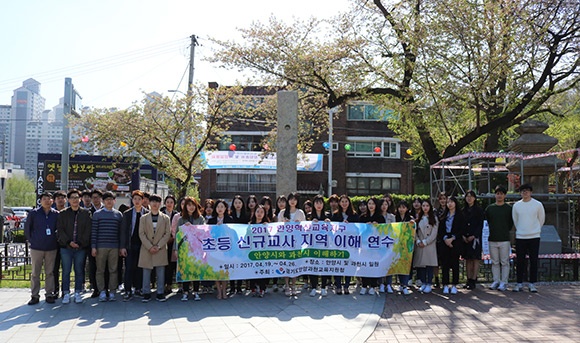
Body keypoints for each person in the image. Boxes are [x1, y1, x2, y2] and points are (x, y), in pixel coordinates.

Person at [57, 189, 92, 304]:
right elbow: (60, 230)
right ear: (68, 200)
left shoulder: (86, 213)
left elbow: (88, 231)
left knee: (79, 270)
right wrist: (68, 242)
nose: (75, 200)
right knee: (66, 270)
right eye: (72, 198)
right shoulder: (63, 213)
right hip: (66, 247)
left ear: (80, 199)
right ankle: (66, 292)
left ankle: (78, 292)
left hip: (80, 248)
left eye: (77, 197)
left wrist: (80, 243)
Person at [24, 192, 59, 305]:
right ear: (40, 201)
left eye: (49, 199)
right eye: (44, 199)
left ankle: (49, 294)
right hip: (36, 248)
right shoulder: (34, 213)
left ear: (52, 201)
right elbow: (27, 229)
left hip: (51, 247)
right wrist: (32, 241)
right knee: (35, 273)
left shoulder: (56, 214)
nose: (47, 201)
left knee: (50, 272)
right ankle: (34, 296)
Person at [512, 183, 545, 293]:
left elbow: (541, 219)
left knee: (533, 260)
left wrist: (535, 229)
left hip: (534, 236)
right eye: (522, 191)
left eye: (526, 191)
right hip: (520, 236)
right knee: (520, 261)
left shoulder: (538, 204)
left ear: (531, 192)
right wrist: (521, 230)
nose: (524, 193)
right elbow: (515, 220)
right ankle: (519, 283)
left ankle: (532, 283)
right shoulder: (516, 205)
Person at [138, 194, 171, 302]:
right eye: (153, 201)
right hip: (147, 248)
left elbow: (167, 234)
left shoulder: (166, 218)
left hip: (160, 248)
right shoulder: (143, 218)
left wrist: (158, 246)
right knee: (146, 271)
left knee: (160, 271)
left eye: (157, 202)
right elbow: (141, 234)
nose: (155, 204)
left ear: (160, 203)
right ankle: (146, 292)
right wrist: (150, 246)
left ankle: (160, 292)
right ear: (149, 203)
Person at [91, 191, 123, 302]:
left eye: (111, 199)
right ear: (103, 201)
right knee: (100, 270)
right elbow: (94, 231)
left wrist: (121, 247)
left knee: (113, 270)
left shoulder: (118, 215)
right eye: (107, 200)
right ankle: (102, 291)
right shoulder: (97, 214)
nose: (109, 201)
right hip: (100, 247)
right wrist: (93, 247)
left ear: (114, 201)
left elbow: (120, 233)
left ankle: (113, 291)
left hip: (114, 246)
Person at [174, 196, 206, 301]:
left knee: (196, 269)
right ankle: (185, 291)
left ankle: (196, 291)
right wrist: (175, 249)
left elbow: (203, 232)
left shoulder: (200, 218)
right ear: (185, 207)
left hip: (196, 249)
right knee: (185, 270)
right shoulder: (181, 219)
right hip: (185, 248)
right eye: (189, 205)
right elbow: (177, 235)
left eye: (193, 205)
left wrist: (192, 227)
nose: (191, 207)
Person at [120, 190, 149, 301]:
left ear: (143, 201)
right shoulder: (127, 214)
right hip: (130, 244)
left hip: (143, 245)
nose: (137, 201)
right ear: (132, 200)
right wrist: (122, 247)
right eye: (135, 199)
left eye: (139, 199)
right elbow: (123, 232)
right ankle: (128, 290)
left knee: (140, 268)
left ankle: (138, 288)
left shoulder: (146, 213)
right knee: (129, 268)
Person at [485, 185, 514, 292]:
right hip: (492, 238)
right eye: (497, 193)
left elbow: (511, 223)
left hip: (504, 239)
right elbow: (487, 221)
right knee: (495, 262)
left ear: (505, 195)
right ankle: (496, 280)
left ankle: (504, 282)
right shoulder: (490, 208)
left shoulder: (509, 209)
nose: (499, 196)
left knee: (505, 262)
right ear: (495, 195)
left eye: (501, 194)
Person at [278, 192, 306, 296]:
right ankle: (287, 285)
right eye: (290, 199)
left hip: (297, 243)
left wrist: (299, 224)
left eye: (294, 199)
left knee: (295, 264)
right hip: (285, 242)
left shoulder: (300, 213)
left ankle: (294, 285)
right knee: (286, 264)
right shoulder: (282, 213)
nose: (292, 201)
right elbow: (277, 228)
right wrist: (283, 224)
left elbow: (305, 228)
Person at [330, 194, 359, 295]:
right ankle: (338, 286)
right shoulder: (335, 215)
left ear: (349, 203)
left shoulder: (354, 215)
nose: (344, 203)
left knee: (348, 265)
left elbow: (357, 230)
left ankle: (346, 286)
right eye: (342, 201)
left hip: (349, 245)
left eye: (346, 201)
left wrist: (349, 226)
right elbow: (331, 230)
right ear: (339, 203)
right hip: (338, 245)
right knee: (338, 265)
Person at [438, 196, 464, 295]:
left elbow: (461, 229)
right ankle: (445, 284)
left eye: (452, 202)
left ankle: (454, 285)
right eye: (448, 202)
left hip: (455, 241)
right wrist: (445, 239)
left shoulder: (460, 216)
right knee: (445, 264)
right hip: (445, 241)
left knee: (455, 264)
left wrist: (453, 238)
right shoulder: (444, 215)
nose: (450, 204)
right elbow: (440, 230)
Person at [359, 197, 385, 295]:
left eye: (372, 204)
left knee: (374, 265)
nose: (370, 206)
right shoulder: (362, 217)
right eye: (369, 204)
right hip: (365, 246)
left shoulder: (380, 217)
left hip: (375, 247)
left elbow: (385, 232)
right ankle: (364, 285)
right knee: (364, 265)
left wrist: (378, 227)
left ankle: (373, 286)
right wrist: (366, 226)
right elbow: (358, 231)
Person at [387, 201, 413, 295]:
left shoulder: (410, 219)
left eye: (404, 207)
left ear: (407, 209)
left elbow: (413, 232)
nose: (401, 209)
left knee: (404, 265)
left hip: (405, 246)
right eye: (400, 207)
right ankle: (393, 284)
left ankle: (404, 285)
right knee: (394, 264)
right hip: (394, 245)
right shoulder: (394, 218)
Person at [307, 195, 331, 297]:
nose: (319, 205)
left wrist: (329, 223)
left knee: (324, 266)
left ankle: (323, 287)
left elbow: (333, 231)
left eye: (321, 202)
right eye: (317, 203)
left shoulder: (328, 216)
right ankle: (313, 287)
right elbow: (304, 229)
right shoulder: (309, 216)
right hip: (313, 246)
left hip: (325, 246)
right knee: (313, 266)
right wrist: (311, 223)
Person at [413, 199, 438, 293]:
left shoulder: (434, 218)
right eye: (423, 206)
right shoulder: (419, 218)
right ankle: (423, 283)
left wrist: (425, 242)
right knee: (421, 265)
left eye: (427, 206)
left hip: (429, 244)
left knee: (429, 265)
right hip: (420, 244)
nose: (425, 208)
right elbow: (415, 231)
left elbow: (434, 233)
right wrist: (418, 241)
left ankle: (429, 283)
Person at [462, 190, 484, 290]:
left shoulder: (479, 210)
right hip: (465, 238)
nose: (469, 198)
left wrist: (474, 235)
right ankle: (468, 278)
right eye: (467, 196)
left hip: (475, 238)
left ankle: (474, 279)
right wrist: (463, 235)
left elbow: (480, 225)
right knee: (468, 259)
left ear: (475, 198)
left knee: (475, 259)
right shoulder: (463, 211)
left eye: (471, 196)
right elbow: (460, 224)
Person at [249, 204, 270, 297]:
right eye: (258, 211)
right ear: (254, 213)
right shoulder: (250, 225)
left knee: (262, 270)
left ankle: (262, 289)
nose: (259, 214)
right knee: (252, 270)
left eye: (262, 212)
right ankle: (253, 288)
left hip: (263, 251)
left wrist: (267, 228)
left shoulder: (267, 225)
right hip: (252, 251)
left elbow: (271, 238)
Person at [229, 195, 248, 295]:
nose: (237, 205)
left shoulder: (246, 214)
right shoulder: (230, 215)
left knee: (240, 265)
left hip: (243, 243)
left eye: (239, 203)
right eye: (235, 203)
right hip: (232, 243)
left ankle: (239, 287)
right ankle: (232, 287)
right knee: (232, 265)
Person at [88, 189, 104, 297]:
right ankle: (95, 288)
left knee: (104, 267)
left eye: (97, 197)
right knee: (93, 266)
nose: (96, 199)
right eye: (93, 197)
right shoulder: (88, 211)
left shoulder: (107, 209)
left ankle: (105, 288)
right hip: (92, 243)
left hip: (104, 242)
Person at [52, 190, 67, 299]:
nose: (60, 200)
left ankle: (65, 290)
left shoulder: (69, 212)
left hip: (66, 245)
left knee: (66, 269)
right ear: (54, 200)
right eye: (58, 198)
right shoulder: (52, 213)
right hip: (53, 245)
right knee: (54, 268)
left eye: (62, 198)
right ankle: (55, 290)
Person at [162, 195, 179, 294]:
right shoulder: (160, 213)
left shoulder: (177, 215)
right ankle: (162, 284)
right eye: (167, 202)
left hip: (173, 242)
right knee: (163, 264)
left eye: (171, 202)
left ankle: (169, 284)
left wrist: (172, 238)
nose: (169, 204)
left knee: (171, 265)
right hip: (162, 243)